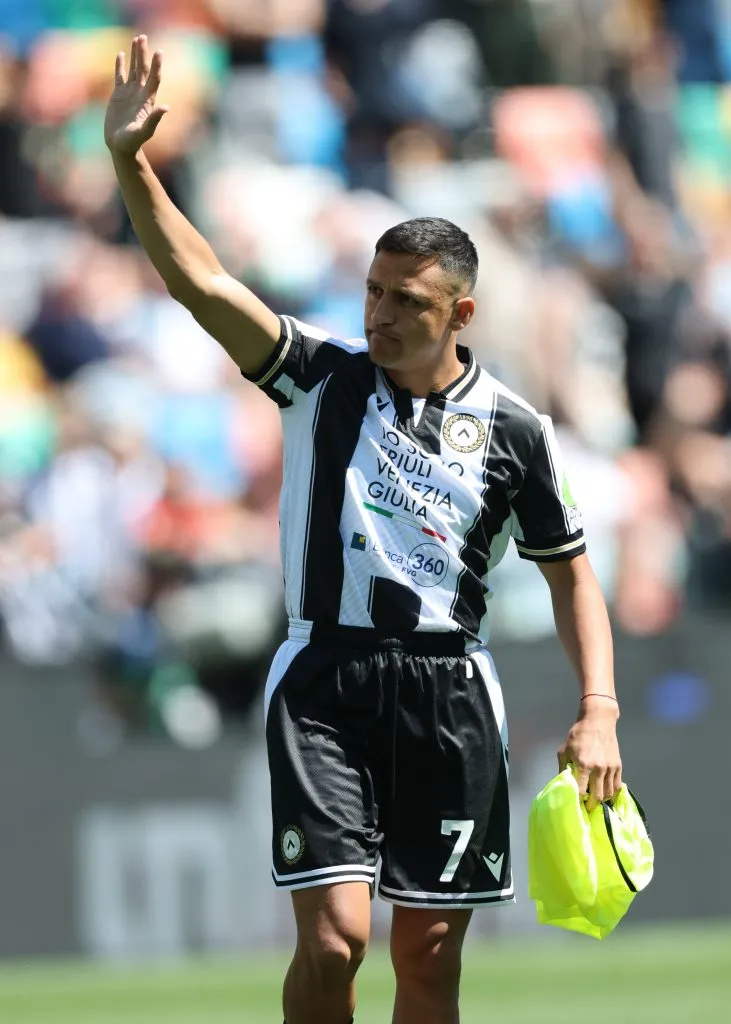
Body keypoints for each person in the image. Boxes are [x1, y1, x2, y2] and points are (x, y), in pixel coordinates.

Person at [104, 36, 623, 1024]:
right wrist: (131, 164)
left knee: (425, 958)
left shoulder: (516, 431)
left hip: (449, 689)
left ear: (459, 311)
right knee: (336, 941)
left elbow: (571, 576)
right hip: (324, 683)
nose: (377, 315)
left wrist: (596, 706)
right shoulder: (322, 378)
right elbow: (203, 285)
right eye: (373, 292)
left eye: (406, 302)